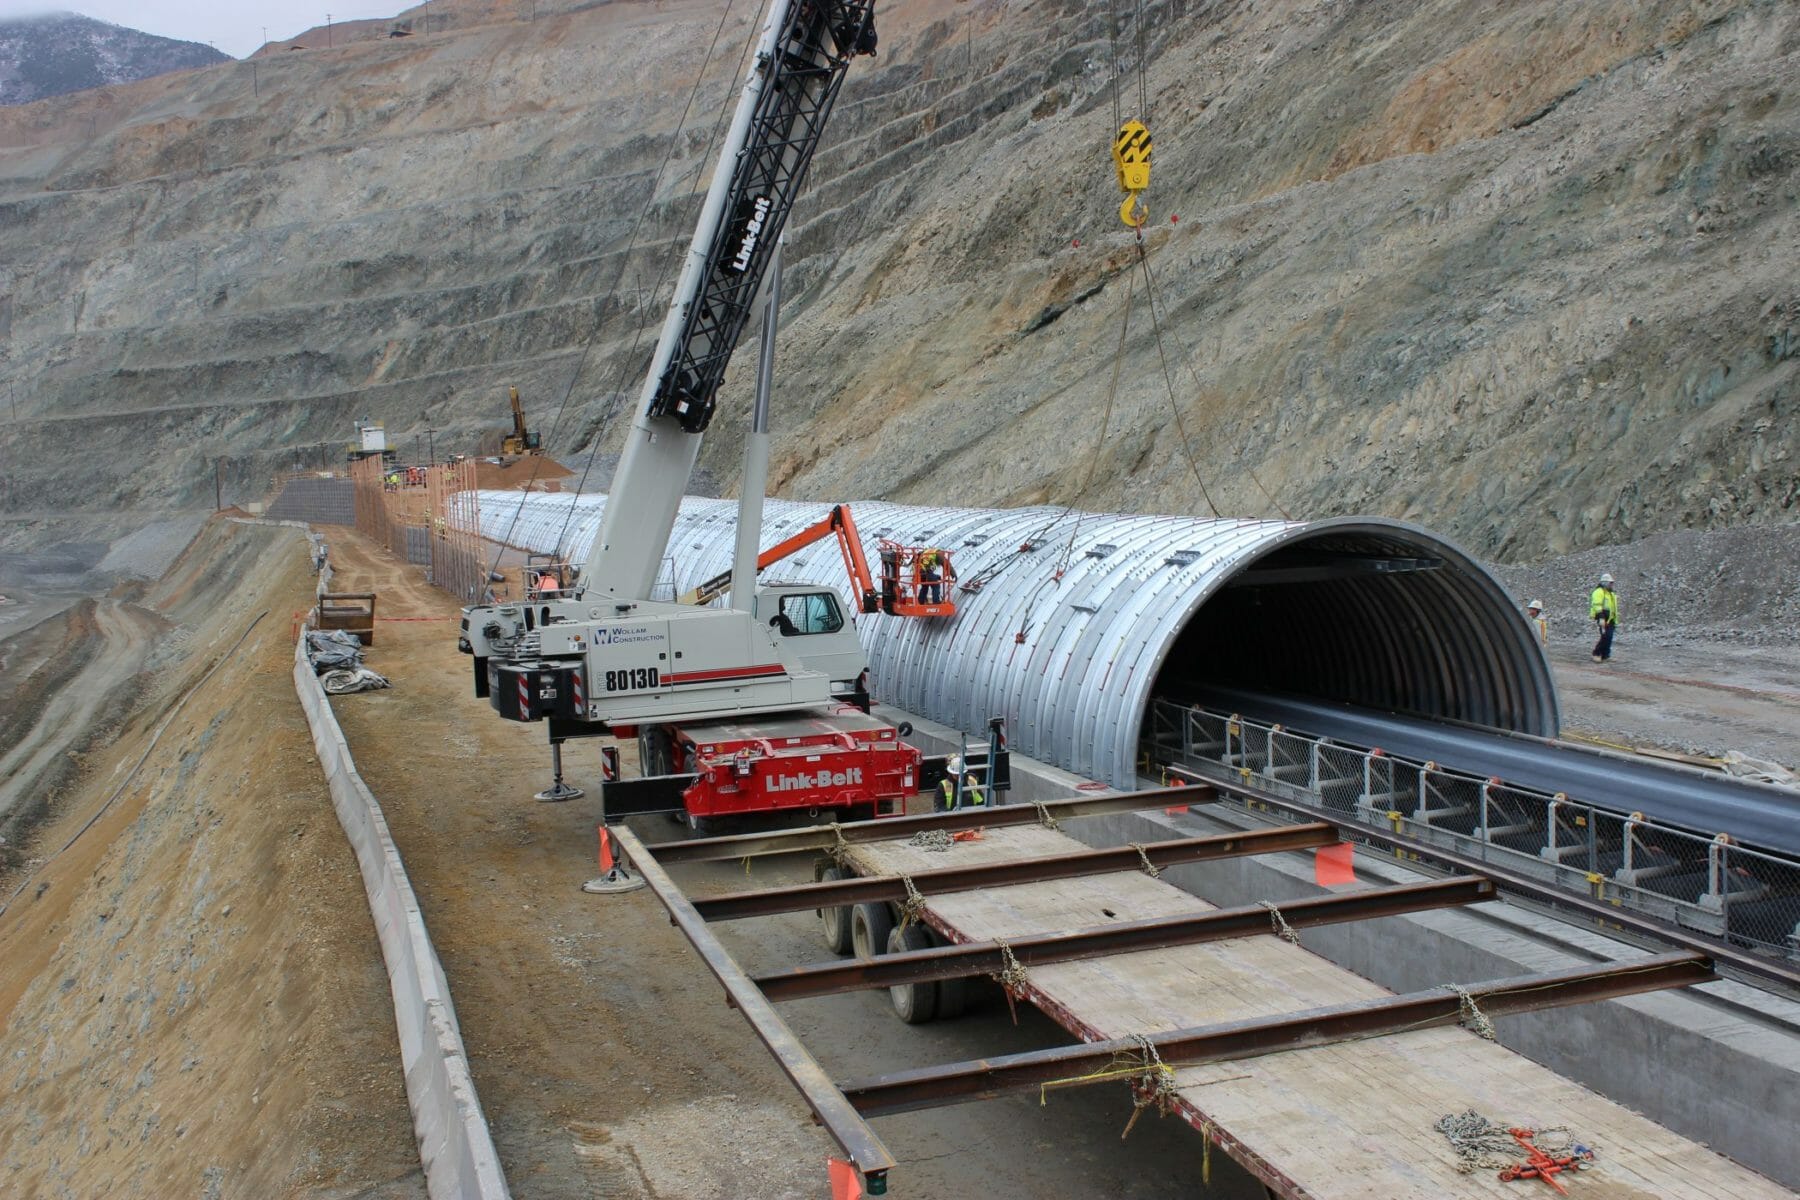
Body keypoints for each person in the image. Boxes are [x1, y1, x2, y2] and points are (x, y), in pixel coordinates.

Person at [1589, 573, 1620, 662]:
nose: (1611, 584)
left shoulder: (1610, 593)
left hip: (1611, 619)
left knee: (1609, 637)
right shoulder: (1599, 592)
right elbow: (1597, 605)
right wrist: (1601, 618)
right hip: (1603, 618)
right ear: (1605, 583)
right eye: (1610, 583)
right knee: (1605, 636)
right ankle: (1597, 653)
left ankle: (1605, 655)